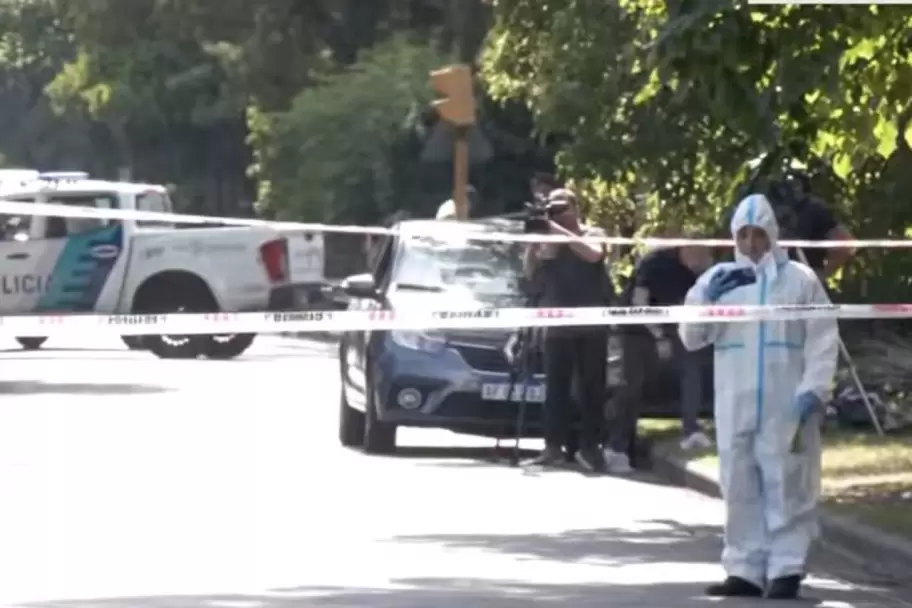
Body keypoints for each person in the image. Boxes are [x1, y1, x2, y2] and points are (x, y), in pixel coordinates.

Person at [679, 193, 839, 600]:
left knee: (786, 481)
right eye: (744, 235)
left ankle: (786, 567)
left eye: (758, 235)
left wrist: (814, 389)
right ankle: (745, 568)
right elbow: (691, 337)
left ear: (772, 235)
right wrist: (706, 301)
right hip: (735, 400)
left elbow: (822, 338)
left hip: (786, 400)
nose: (751, 244)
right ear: (735, 236)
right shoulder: (719, 280)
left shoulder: (800, 281)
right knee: (738, 483)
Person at [605, 238, 714, 474]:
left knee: (691, 365)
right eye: (701, 256)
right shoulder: (655, 262)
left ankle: (691, 430)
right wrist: (659, 338)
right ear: (686, 248)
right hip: (636, 326)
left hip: (670, 327)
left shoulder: (694, 272)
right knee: (631, 386)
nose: (703, 262)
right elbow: (639, 303)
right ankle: (616, 447)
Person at [522, 188, 611, 472]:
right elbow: (530, 272)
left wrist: (560, 231)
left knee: (591, 389)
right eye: (553, 210)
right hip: (558, 325)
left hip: (591, 325)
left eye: (563, 209)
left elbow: (594, 255)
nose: (558, 214)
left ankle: (589, 447)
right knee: (556, 391)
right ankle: (552, 447)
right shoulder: (549, 238)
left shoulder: (592, 232)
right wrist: (534, 244)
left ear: (576, 207)